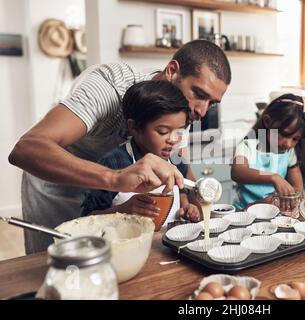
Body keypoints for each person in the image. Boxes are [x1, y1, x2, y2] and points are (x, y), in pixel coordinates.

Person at [8, 40, 231, 254]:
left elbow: (179, 161)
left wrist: (196, 199)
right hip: (58, 187)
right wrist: (115, 178)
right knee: (57, 268)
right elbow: (27, 148)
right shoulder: (109, 87)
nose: (202, 111)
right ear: (172, 71)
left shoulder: (181, 110)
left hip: (113, 195)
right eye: (199, 94)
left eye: (211, 103)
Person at [81, 80, 201, 224]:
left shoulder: (176, 161)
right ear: (135, 127)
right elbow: (86, 219)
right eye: (163, 132)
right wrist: (124, 209)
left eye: (180, 132)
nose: (174, 140)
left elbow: (182, 194)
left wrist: (187, 206)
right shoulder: (114, 163)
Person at [231, 94, 305, 211]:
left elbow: (298, 189)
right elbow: (237, 171)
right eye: (284, 134)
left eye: (295, 139)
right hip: (245, 213)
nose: (288, 144)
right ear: (267, 122)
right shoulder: (247, 146)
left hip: (274, 213)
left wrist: (278, 200)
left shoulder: (289, 152)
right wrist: (273, 177)